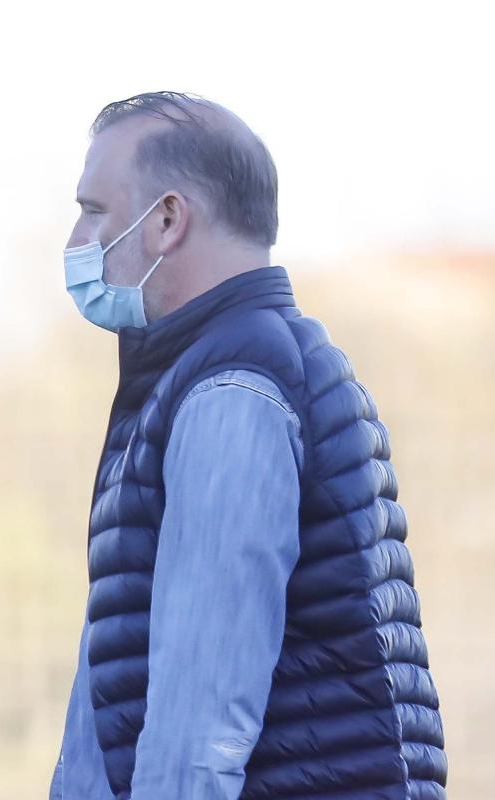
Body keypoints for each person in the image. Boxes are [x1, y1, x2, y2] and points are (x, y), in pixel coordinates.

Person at [50, 93, 446, 799]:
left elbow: (199, 734)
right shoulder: (226, 372)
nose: (77, 238)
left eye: (94, 210)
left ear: (167, 220)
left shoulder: (232, 392)